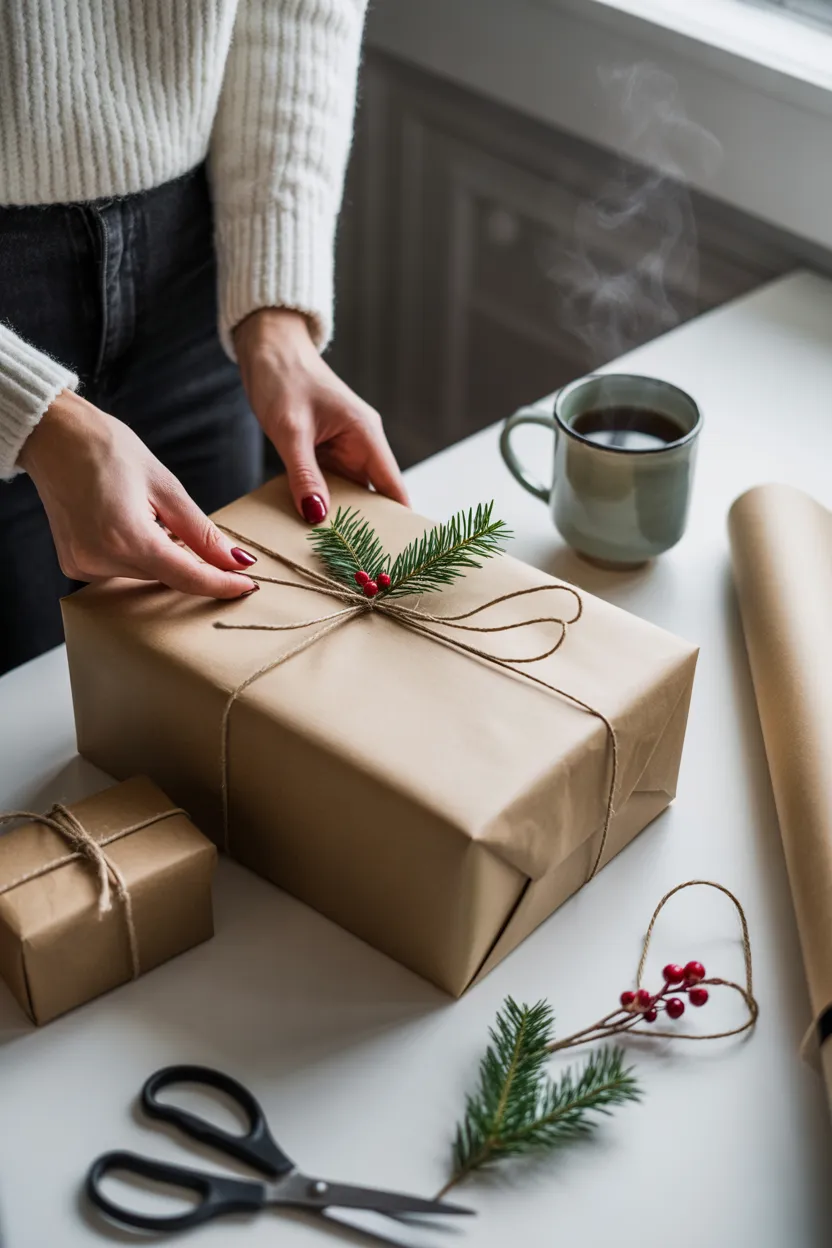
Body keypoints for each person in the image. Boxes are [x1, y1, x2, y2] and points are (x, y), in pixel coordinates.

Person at [0, 1, 408, 677]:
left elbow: (296, 13)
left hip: (197, 279)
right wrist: (29, 414)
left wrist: (274, 319)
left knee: (221, 682)